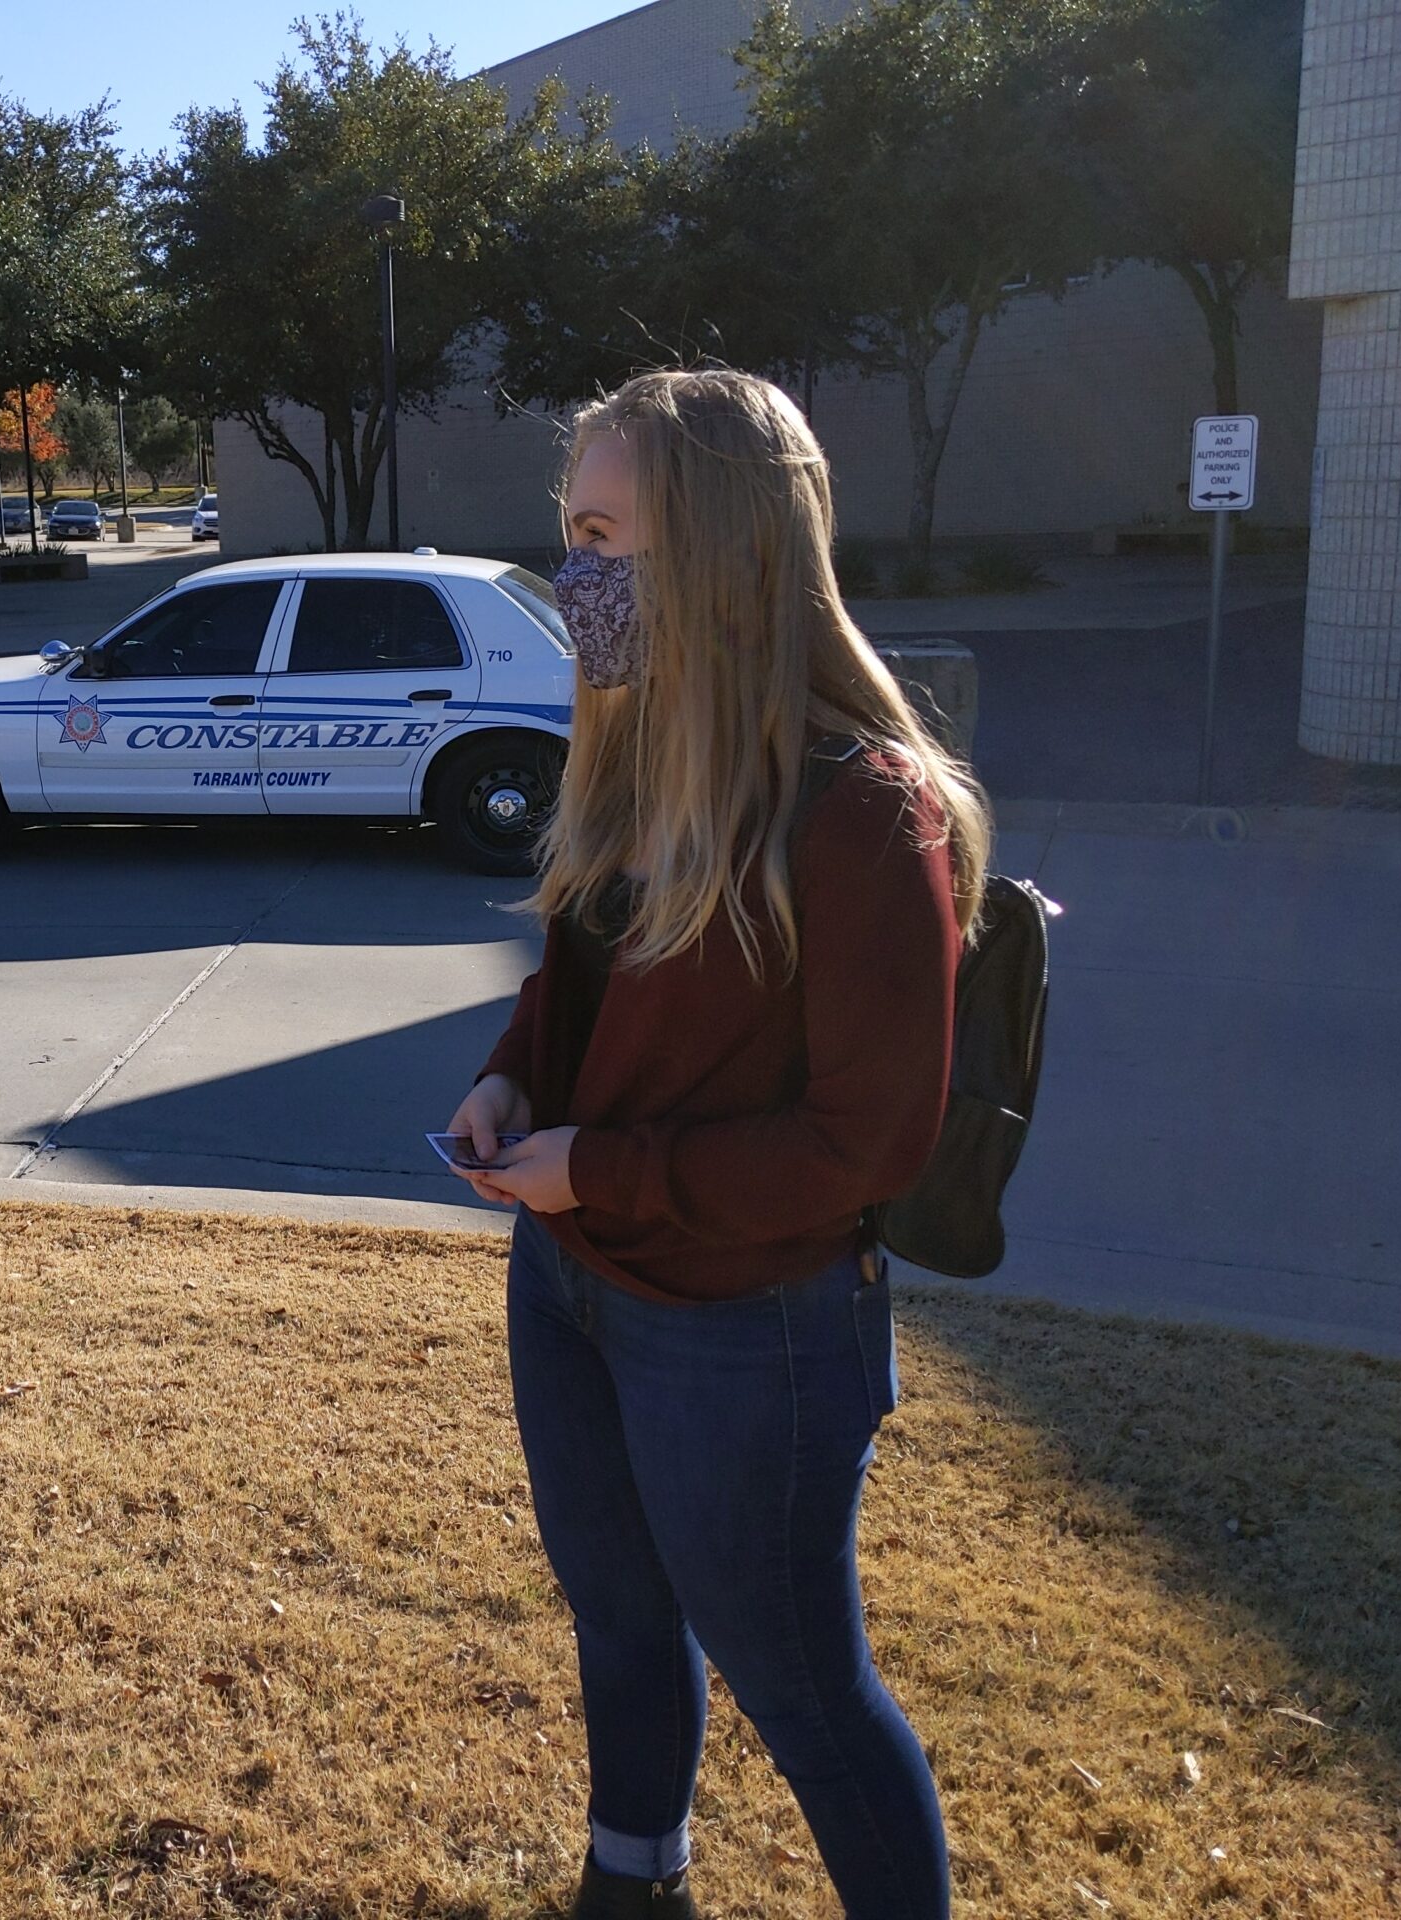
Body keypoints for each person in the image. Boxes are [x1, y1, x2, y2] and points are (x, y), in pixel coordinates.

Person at [446, 368, 987, 1920]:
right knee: (617, 1620)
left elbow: (866, 1146)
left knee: (802, 1689)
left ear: (725, 550)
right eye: (572, 534)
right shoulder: (632, 750)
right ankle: (637, 1890)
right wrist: (507, 1083)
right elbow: (579, 986)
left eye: (605, 536)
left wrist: (596, 1171)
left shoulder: (866, 810)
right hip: (572, 1281)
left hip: (752, 1330)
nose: (575, 577)